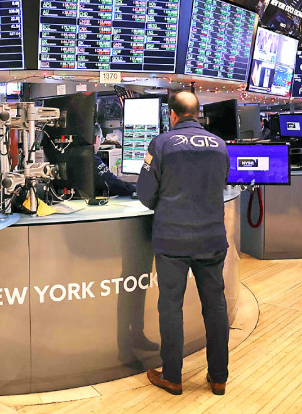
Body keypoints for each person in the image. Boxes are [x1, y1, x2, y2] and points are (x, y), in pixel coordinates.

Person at [137, 91, 231, 396]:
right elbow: (221, 184)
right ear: (198, 113)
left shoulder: (161, 144)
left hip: (172, 240)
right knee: (215, 307)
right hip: (212, 238)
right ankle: (218, 377)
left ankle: (173, 377)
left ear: (172, 115)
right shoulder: (220, 145)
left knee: (171, 307)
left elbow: (145, 194)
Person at [93, 123, 136, 197]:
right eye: (101, 139)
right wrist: (136, 188)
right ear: (96, 139)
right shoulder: (92, 160)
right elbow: (113, 184)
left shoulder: (74, 153)